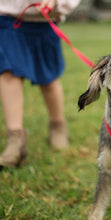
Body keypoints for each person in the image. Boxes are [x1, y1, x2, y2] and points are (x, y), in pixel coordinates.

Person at [0, 0, 81, 168]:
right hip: (8, 18)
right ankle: (15, 141)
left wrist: (59, 3)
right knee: (8, 73)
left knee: (48, 78)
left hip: (45, 21)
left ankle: (57, 126)